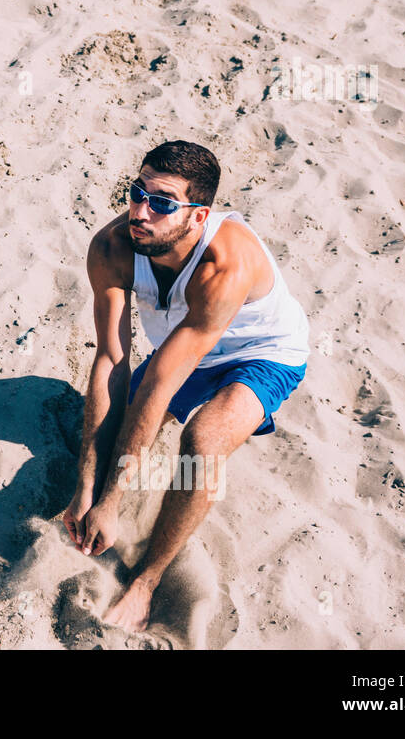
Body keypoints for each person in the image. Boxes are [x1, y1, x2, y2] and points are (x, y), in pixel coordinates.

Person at [63, 140, 309, 631]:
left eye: (162, 203)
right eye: (137, 192)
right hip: (185, 346)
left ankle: (147, 581)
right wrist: (86, 490)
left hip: (261, 353)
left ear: (198, 216)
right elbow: (113, 357)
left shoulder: (224, 262)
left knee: (202, 442)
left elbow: (158, 383)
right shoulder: (111, 247)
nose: (141, 210)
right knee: (116, 435)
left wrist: (112, 503)